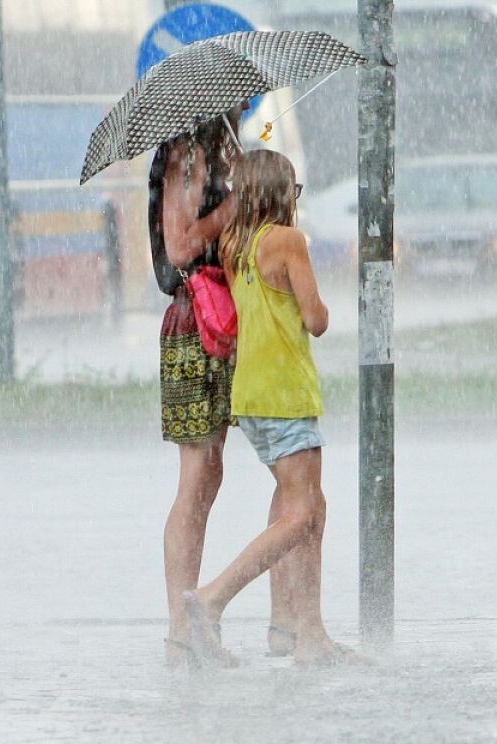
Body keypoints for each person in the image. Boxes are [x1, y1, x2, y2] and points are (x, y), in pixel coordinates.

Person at [180, 148, 365, 666]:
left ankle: (306, 633)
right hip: (286, 393)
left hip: (253, 395)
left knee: (308, 508)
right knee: (303, 514)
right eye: (294, 190)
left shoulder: (234, 243)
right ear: (282, 194)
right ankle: (212, 599)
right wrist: (320, 301)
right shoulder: (287, 241)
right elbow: (316, 319)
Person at [152, 110, 242, 668]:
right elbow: (181, 247)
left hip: (214, 322)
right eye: (240, 102)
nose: (246, 109)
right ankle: (180, 629)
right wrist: (233, 208)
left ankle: (189, 624)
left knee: (209, 472)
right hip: (194, 324)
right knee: (195, 476)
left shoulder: (213, 154)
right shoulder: (186, 156)